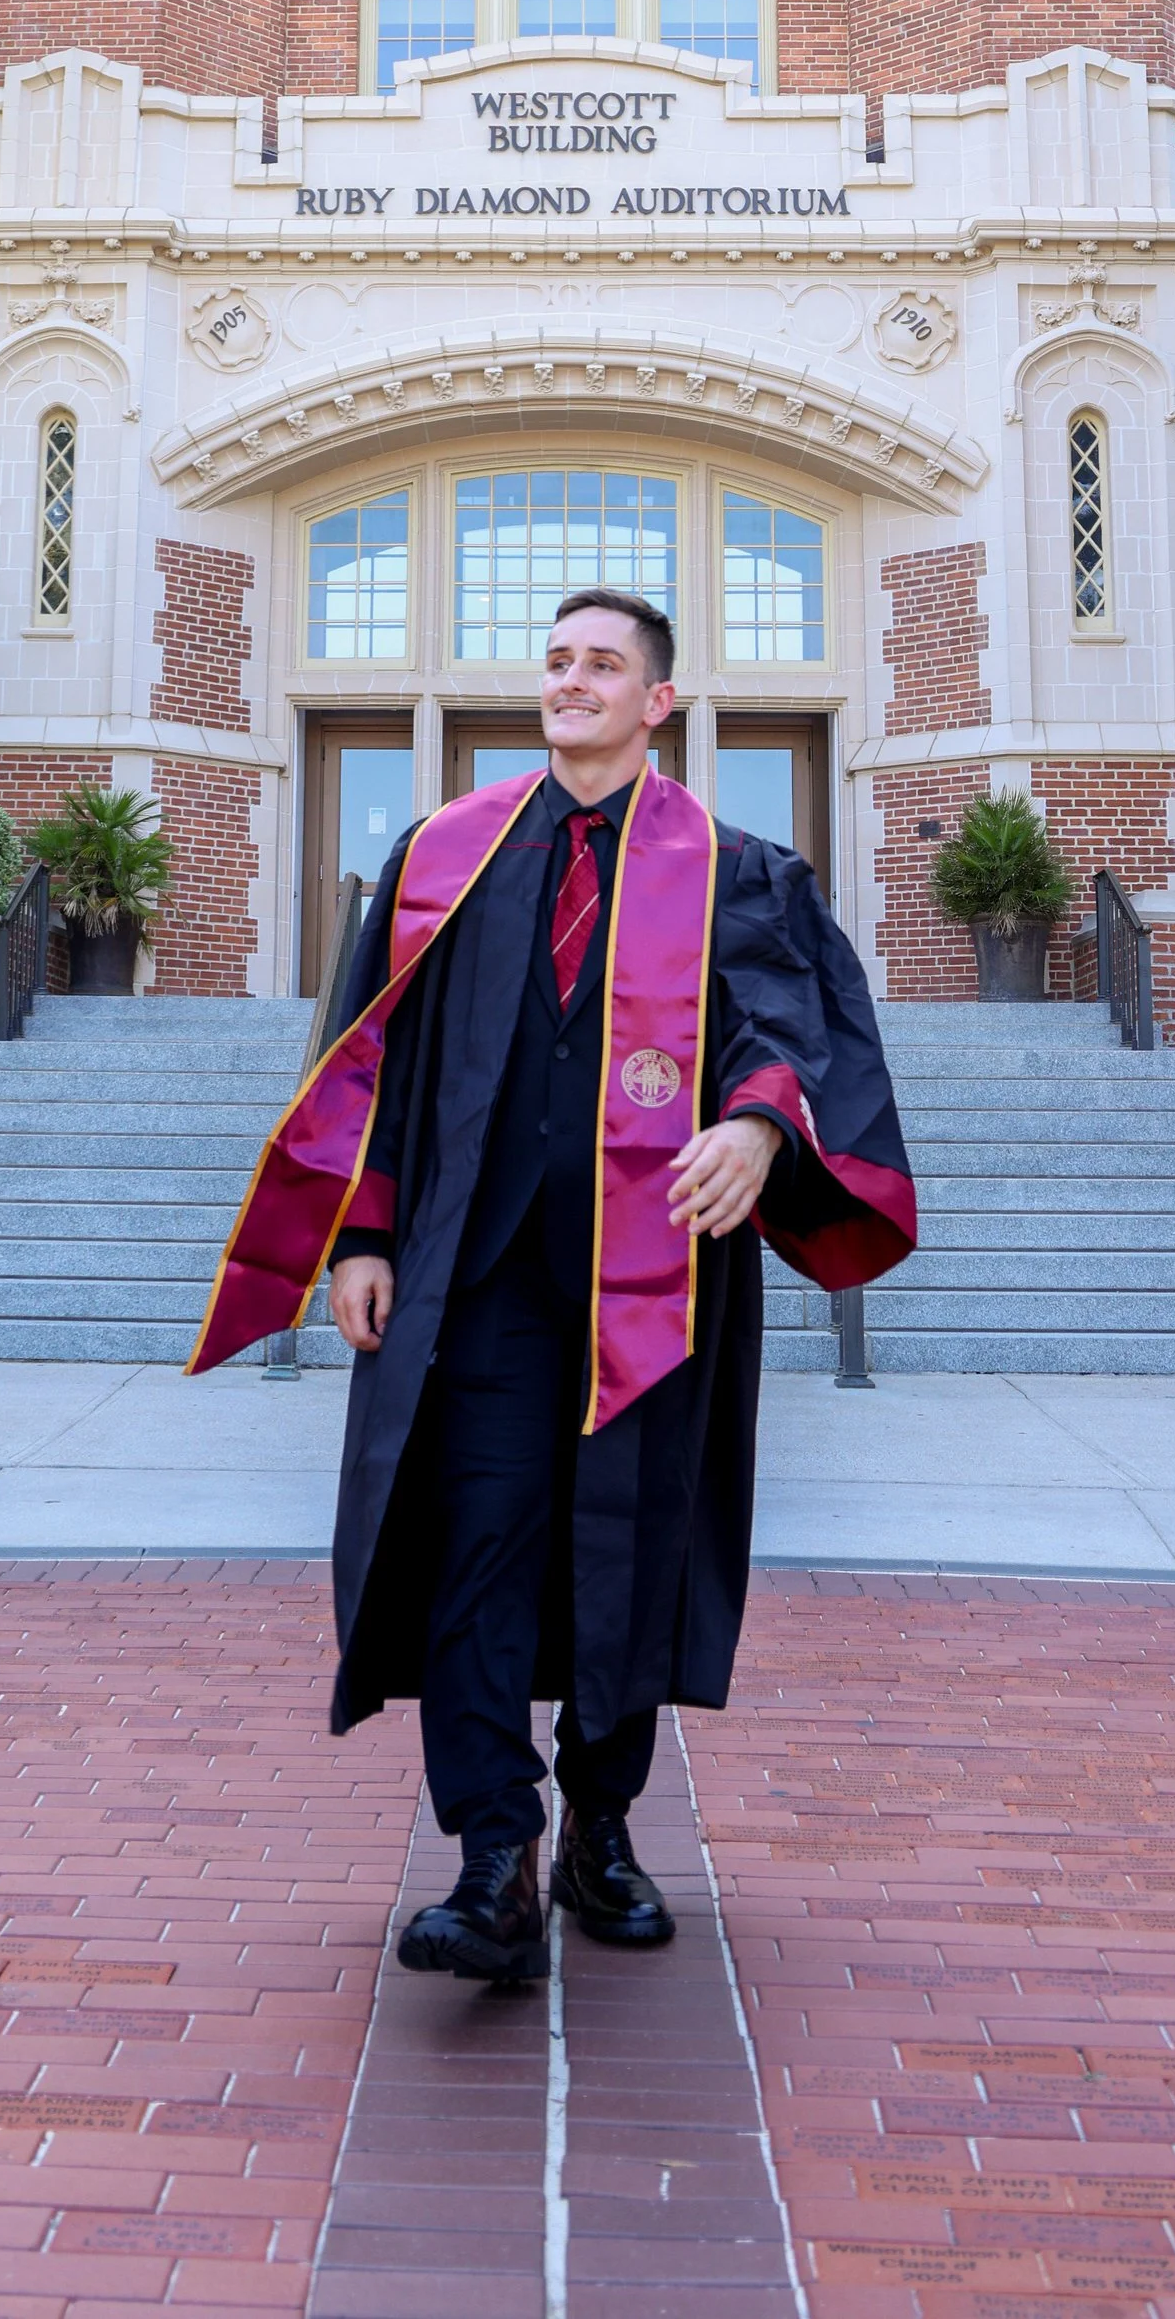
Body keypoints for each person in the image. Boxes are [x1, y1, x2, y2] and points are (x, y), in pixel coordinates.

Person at [190, 586, 916, 1985]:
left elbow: (791, 1029)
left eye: (603, 665)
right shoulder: (443, 858)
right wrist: (362, 1235)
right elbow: (371, 1062)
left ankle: (600, 1823)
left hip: (657, 1271)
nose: (572, 680)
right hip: (478, 1272)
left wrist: (759, 1126)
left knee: (628, 1545)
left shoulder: (734, 871)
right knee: (475, 1543)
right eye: (557, 660)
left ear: (658, 702)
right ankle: (491, 1857)